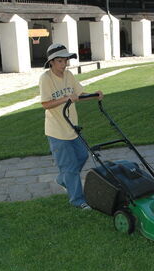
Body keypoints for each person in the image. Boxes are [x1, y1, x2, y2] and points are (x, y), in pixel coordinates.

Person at [39, 43, 103, 210]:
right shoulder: (46, 78)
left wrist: (95, 95)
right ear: (51, 62)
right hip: (56, 130)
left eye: (65, 61)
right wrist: (66, 99)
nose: (64, 64)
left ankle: (63, 179)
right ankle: (78, 200)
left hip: (72, 127)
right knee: (69, 167)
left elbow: (78, 95)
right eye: (60, 61)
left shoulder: (69, 75)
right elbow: (45, 104)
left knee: (82, 156)